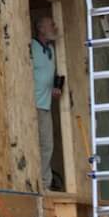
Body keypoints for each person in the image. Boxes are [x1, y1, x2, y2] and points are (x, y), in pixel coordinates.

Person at [31, 14, 62, 191]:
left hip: (45, 104)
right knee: (41, 145)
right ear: (41, 28)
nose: (55, 27)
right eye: (51, 24)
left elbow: (47, 75)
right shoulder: (32, 47)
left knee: (46, 145)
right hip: (33, 104)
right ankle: (43, 184)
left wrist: (55, 87)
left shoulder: (50, 50)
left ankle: (45, 183)